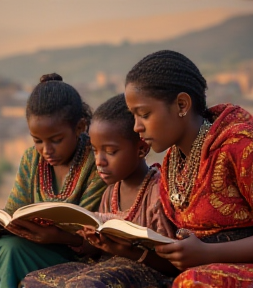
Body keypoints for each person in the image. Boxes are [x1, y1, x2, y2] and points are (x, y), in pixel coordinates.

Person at [125, 50, 253, 287]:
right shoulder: (173, 161)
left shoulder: (240, 146)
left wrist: (209, 254)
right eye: (133, 116)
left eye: (144, 114)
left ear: (182, 104)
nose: (136, 127)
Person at [0, 73, 106, 288]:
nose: (46, 150)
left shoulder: (96, 162)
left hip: (79, 258)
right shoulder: (32, 158)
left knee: (10, 251)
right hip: (30, 246)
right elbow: (13, 212)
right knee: (1, 245)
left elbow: (99, 238)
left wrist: (57, 236)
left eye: (56, 140)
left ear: (79, 127)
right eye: (37, 140)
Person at [20, 94, 175, 287]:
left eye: (110, 152)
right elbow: (98, 252)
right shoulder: (111, 191)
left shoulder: (158, 193)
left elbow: (173, 265)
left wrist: (131, 252)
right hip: (106, 267)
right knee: (33, 281)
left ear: (141, 149)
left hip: (146, 274)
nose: (99, 161)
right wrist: (93, 241)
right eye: (95, 150)